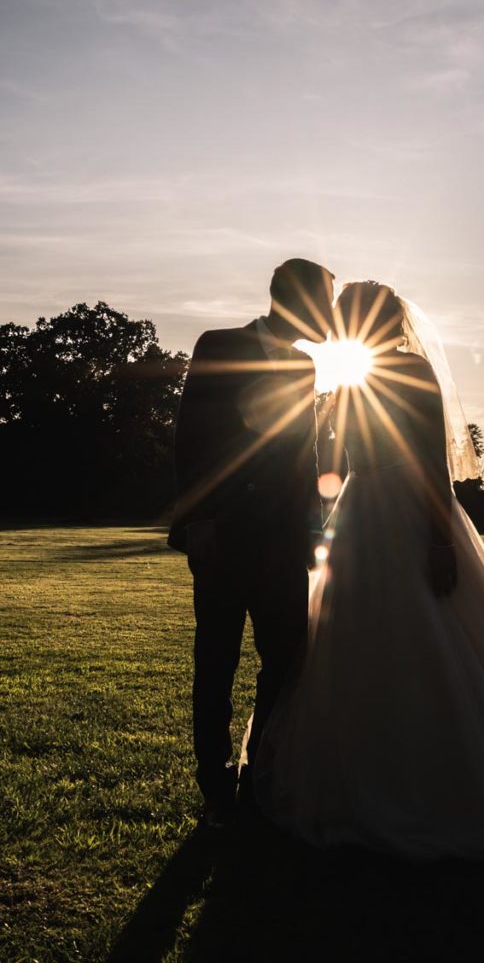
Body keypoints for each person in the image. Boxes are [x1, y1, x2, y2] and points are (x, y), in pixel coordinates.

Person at [251, 280, 484, 861]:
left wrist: (439, 540)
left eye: (347, 315)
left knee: (428, 634)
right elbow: (332, 463)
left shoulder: (412, 373)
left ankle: (442, 777)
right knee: (360, 641)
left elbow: (433, 467)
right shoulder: (347, 380)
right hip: (360, 515)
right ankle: (372, 769)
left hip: (408, 511)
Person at [167, 258, 335, 827]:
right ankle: (216, 792)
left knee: (284, 661)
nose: (332, 317)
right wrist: (198, 520)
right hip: (221, 535)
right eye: (326, 303)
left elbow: (302, 454)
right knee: (215, 660)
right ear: (296, 300)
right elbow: (192, 437)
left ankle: (260, 770)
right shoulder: (218, 343)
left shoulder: (305, 365)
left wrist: (313, 528)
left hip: (283, 540)